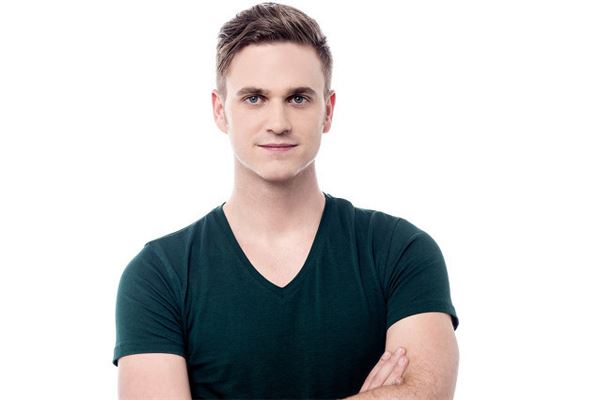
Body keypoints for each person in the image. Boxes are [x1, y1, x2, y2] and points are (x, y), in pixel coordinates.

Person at [113, 2, 459, 399]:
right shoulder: (159, 276)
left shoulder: (400, 252)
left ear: (327, 111)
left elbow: (425, 393)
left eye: (297, 98)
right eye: (254, 98)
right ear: (220, 111)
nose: (278, 123)